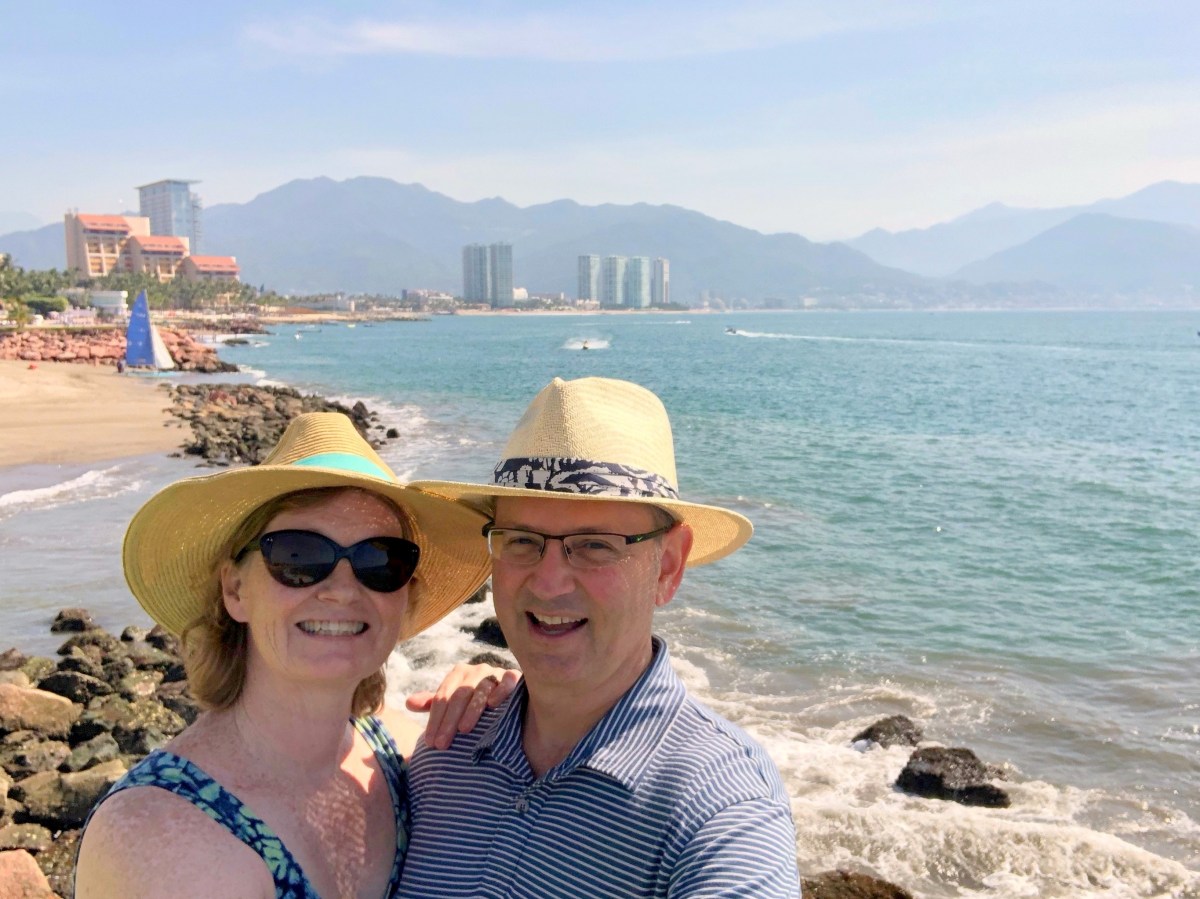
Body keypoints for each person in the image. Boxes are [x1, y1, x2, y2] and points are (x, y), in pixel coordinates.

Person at [75, 412, 519, 899]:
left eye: (380, 560)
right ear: (235, 590)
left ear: (405, 596)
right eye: (299, 557)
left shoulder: (409, 755)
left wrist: (514, 705)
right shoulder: (156, 837)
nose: (342, 590)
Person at [401, 376, 801, 897]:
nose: (548, 583)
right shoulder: (446, 752)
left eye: (594, 545)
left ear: (668, 565)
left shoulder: (720, 805)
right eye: (521, 540)